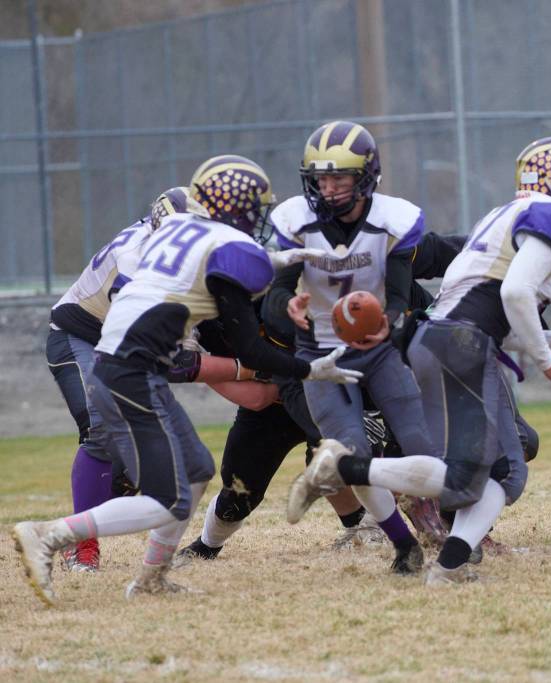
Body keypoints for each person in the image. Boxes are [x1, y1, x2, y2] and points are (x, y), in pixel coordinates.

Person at [12, 155, 363, 605]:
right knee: (165, 496)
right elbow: (232, 348)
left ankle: (151, 577)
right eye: (252, 209)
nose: (255, 220)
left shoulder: (182, 232)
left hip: (132, 364)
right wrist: (311, 368)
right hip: (120, 364)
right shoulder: (154, 252)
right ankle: (51, 534)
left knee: (197, 470)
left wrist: (288, 258)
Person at [285, 136, 551, 584]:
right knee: (506, 471)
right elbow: (513, 294)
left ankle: (451, 562)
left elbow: (482, 305)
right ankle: (349, 469)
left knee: (468, 478)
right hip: (462, 345)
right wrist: (547, 362)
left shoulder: (500, 216)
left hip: (432, 339)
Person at [268, 120, 437, 575]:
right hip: (318, 354)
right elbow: (274, 295)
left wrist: (391, 327)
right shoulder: (295, 222)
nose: (329, 188)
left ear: (365, 176)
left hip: (375, 348)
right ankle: (403, 545)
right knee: (353, 455)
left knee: (421, 442)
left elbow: (402, 297)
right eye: (321, 178)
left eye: (339, 177)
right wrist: (290, 307)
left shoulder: (392, 220)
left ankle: (455, 529)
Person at [43, 187, 208, 572]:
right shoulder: (134, 257)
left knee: (131, 438)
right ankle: (79, 547)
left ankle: (118, 488)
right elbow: (140, 340)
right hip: (79, 336)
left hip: (116, 340)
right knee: (100, 429)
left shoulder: (182, 250)